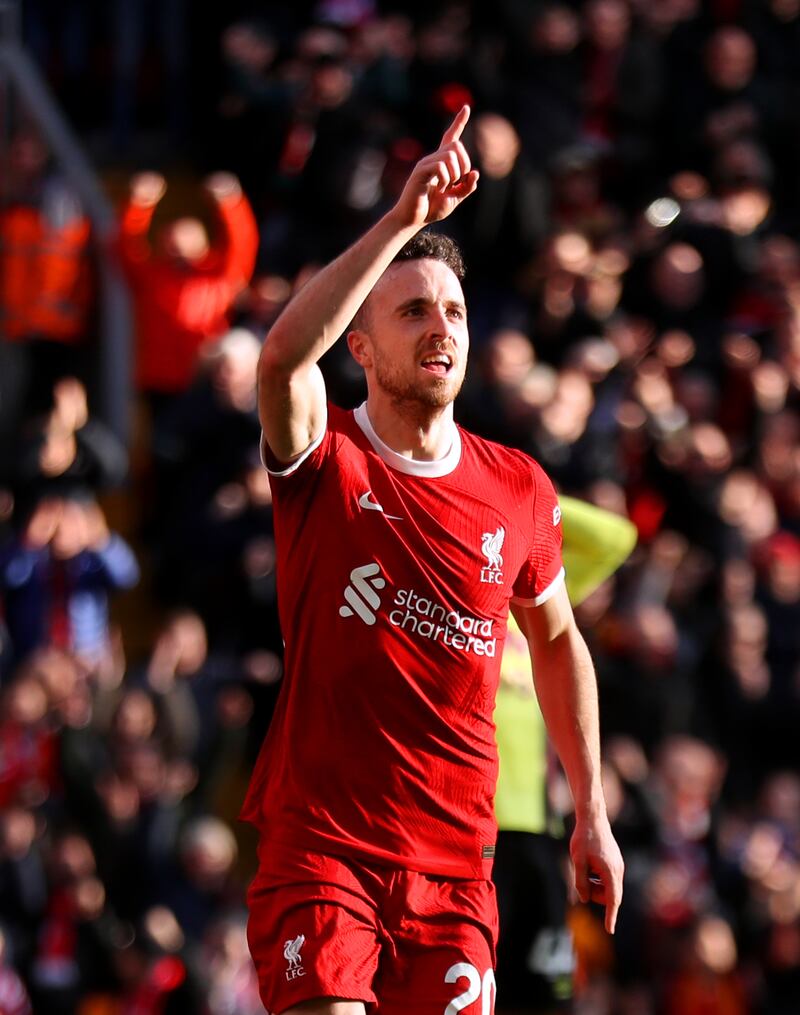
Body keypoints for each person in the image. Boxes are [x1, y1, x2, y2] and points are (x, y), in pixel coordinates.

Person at [242, 105, 624, 1015]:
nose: (439, 327)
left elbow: (561, 640)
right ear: (362, 346)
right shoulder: (327, 459)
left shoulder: (518, 485)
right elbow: (283, 361)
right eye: (412, 311)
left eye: (451, 309)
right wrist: (405, 221)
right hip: (324, 847)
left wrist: (592, 810)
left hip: (457, 867)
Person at [493, 496, 637, 1014]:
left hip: (535, 836)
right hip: (463, 833)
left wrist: (517, 492)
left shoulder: (537, 610)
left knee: (546, 993)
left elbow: (615, 538)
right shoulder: (454, 604)